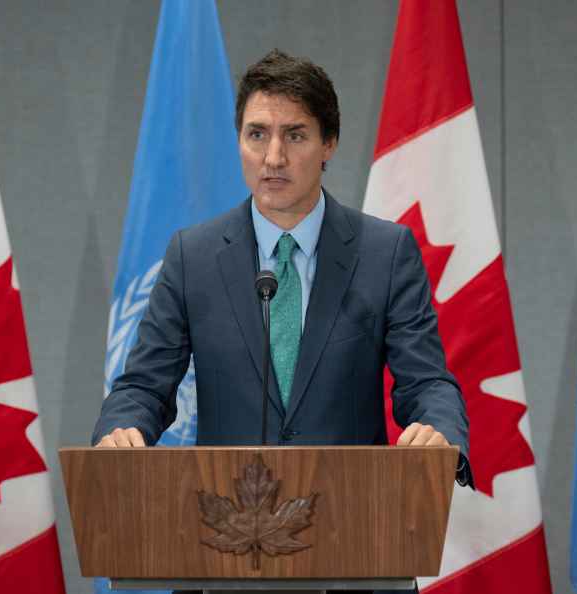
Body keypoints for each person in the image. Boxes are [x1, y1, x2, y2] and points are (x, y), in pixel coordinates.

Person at [92, 50, 471, 488]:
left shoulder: (385, 254)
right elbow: (143, 386)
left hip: (353, 518)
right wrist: (121, 429)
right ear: (239, 140)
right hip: (225, 518)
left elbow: (426, 383)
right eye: (257, 134)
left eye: (294, 136)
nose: (273, 157)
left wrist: (440, 431)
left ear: (329, 143)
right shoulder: (192, 258)